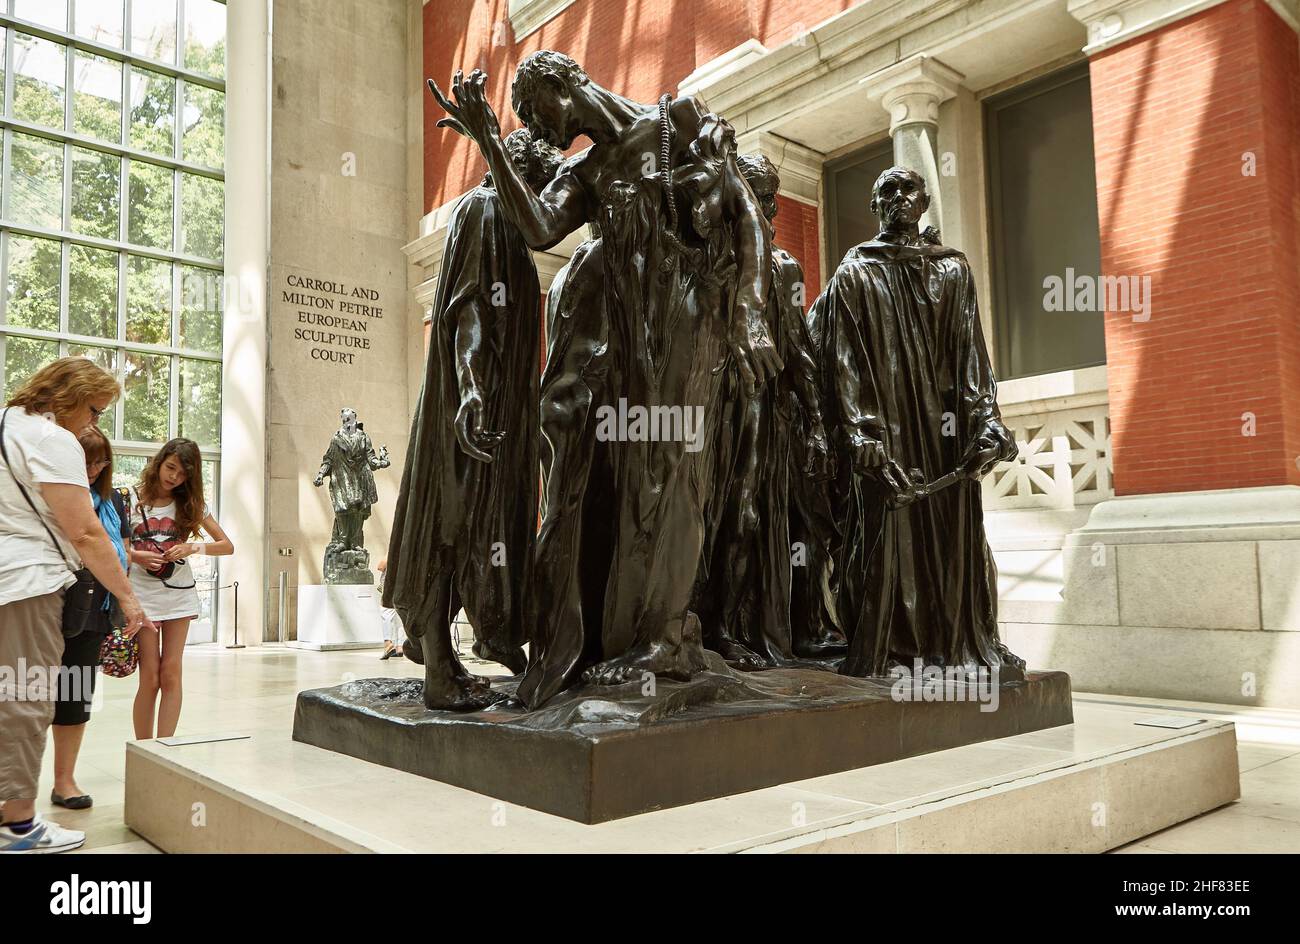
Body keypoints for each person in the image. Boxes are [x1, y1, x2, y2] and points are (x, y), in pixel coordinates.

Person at [432, 54, 781, 705]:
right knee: (634, 484)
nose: (537, 128)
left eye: (535, 112)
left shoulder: (678, 122)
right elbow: (539, 228)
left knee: (674, 472)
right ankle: (627, 634)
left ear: (561, 87)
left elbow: (745, 215)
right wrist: (487, 141)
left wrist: (751, 308)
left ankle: (666, 637)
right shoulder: (586, 173)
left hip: (690, 326)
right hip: (630, 346)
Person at [815, 167, 1022, 678]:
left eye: (908, 189)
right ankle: (891, 651)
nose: (899, 198)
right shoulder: (855, 272)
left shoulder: (953, 269)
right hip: (886, 433)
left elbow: (971, 351)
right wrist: (858, 430)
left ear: (925, 201)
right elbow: (843, 358)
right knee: (887, 541)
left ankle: (956, 646)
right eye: (887, 191)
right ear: (874, 205)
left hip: (946, 436)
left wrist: (986, 420)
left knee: (953, 538)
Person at [384, 126, 561, 709]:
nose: (540, 200)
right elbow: (471, 308)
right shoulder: (486, 212)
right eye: (539, 184)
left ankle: (454, 655)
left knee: (476, 524)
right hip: (475, 404)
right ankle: (438, 667)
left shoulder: (503, 223)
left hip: (492, 404)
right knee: (453, 526)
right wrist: (473, 390)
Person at [0, 357, 151, 853]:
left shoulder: (6, 424)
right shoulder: (52, 439)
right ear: (69, 398)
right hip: (28, 583)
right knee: (26, 699)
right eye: (94, 410)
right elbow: (85, 532)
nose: (92, 423)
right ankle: (18, 825)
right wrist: (128, 598)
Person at [47, 426, 131, 811]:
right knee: (23, 694)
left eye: (101, 462)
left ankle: (64, 781)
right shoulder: (50, 489)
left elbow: (120, 549)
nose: (94, 469)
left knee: (75, 695)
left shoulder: (112, 499)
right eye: (87, 461)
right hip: (47, 602)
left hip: (95, 610)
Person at [127, 438, 233, 739]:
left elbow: (227, 545)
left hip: (179, 594)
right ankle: (144, 748)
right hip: (142, 596)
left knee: (171, 672)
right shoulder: (129, 499)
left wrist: (191, 547)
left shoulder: (191, 504)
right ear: (159, 462)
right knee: (149, 677)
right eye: (171, 467)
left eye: (183, 473)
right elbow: (112, 547)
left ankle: (166, 748)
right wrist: (136, 556)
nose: (174, 477)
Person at [375, 558, 405, 660]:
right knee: (399, 617)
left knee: (386, 613)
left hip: (390, 585)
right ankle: (400, 646)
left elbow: (380, 566)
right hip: (402, 585)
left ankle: (388, 644)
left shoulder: (393, 551)